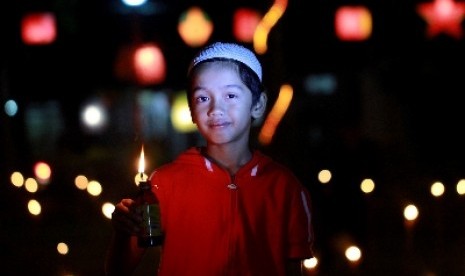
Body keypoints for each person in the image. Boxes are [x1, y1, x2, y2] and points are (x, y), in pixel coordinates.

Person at [105, 41, 314, 276]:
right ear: (192, 111)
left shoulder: (285, 188)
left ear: (258, 104)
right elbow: (118, 270)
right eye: (203, 98)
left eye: (231, 95)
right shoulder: (163, 183)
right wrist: (123, 232)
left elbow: (292, 269)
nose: (216, 108)